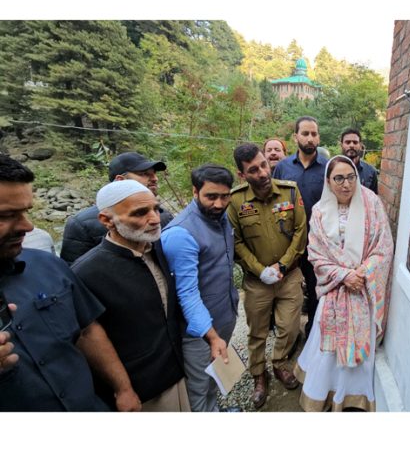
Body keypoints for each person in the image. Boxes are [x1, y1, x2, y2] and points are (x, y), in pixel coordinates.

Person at [0, 155, 140, 412]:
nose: (28, 226)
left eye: (26, 211)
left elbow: (87, 331)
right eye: (7, 215)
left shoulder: (48, 265)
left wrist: (123, 388)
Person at [71, 180, 189, 412]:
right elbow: (88, 336)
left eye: (156, 209)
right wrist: (122, 389)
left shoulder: (157, 248)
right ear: (106, 220)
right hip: (140, 391)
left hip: (176, 370)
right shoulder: (86, 272)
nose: (155, 219)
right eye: (141, 213)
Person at [295, 155, 394, 412]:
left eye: (351, 177)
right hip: (335, 290)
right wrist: (343, 276)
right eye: (338, 178)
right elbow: (315, 253)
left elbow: (383, 247)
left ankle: (353, 396)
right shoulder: (319, 212)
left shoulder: (371, 203)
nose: (346, 184)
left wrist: (361, 273)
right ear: (328, 181)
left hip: (362, 288)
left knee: (359, 347)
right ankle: (324, 394)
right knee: (327, 350)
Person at [229, 143, 307, 409]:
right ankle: (258, 375)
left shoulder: (290, 191)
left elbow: (300, 230)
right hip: (256, 282)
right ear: (242, 175)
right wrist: (260, 270)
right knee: (257, 333)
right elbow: (236, 242)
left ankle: (280, 363)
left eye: (263, 165)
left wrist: (283, 266)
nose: (262, 172)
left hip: (290, 277)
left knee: (290, 327)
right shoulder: (235, 200)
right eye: (253, 170)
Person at [160, 164, 239, 412]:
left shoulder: (221, 216)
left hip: (224, 315)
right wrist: (212, 336)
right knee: (198, 386)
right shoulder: (181, 234)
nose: (218, 203)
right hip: (199, 332)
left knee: (215, 377)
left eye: (224, 196)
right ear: (195, 192)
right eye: (211, 197)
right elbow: (187, 293)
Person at [60, 151, 174, 264]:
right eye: (144, 174)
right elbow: (75, 274)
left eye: (154, 173)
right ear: (120, 180)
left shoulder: (164, 215)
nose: (155, 178)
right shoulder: (81, 224)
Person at [273, 116, 328, 338]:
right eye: (305, 133)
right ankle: (286, 335)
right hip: (288, 242)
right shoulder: (283, 167)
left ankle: (313, 332)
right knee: (287, 290)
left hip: (319, 243)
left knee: (317, 289)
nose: (310, 138)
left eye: (314, 134)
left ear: (318, 137)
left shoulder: (327, 168)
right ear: (295, 137)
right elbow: (274, 201)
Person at [340, 128, 378, 194]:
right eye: (347, 142)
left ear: (360, 145)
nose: (351, 145)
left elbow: (373, 198)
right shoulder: (332, 169)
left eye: (355, 142)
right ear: (341, 145)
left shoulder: (371, 172)